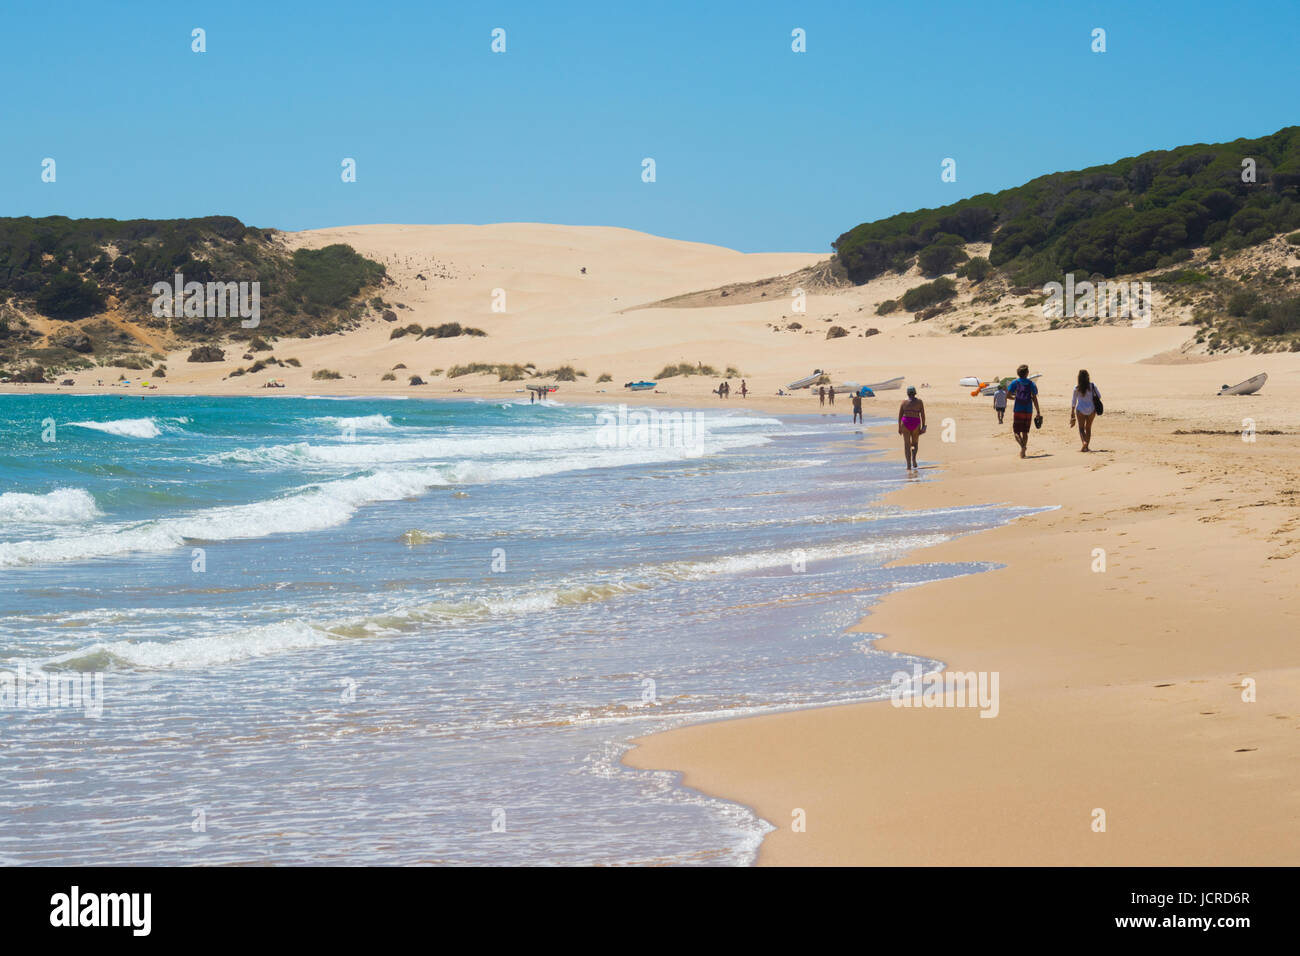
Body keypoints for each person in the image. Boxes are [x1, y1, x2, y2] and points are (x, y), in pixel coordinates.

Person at [1007, 364, 1041, 459]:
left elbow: (1007, 395)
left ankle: (1023, 447)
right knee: (1025, 432)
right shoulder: (1031, 384)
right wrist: (1038, 411)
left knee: (1016, 432)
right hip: (1028, 410)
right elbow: (1034, 398)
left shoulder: (1015, 383)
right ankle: (1023, 453)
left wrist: (1016, 398)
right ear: (1027, 373)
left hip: (1018, 410)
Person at [1070, 369, 1100, 452]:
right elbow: (1099, 396)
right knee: (1088, 428)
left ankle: (1084, 442)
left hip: (1080, 410)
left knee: (1081, 428)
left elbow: (1073, 401)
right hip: (1092, 409)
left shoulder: (1076, 388)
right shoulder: (1092, 386)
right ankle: (1086, 446)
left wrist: (1072, 413)